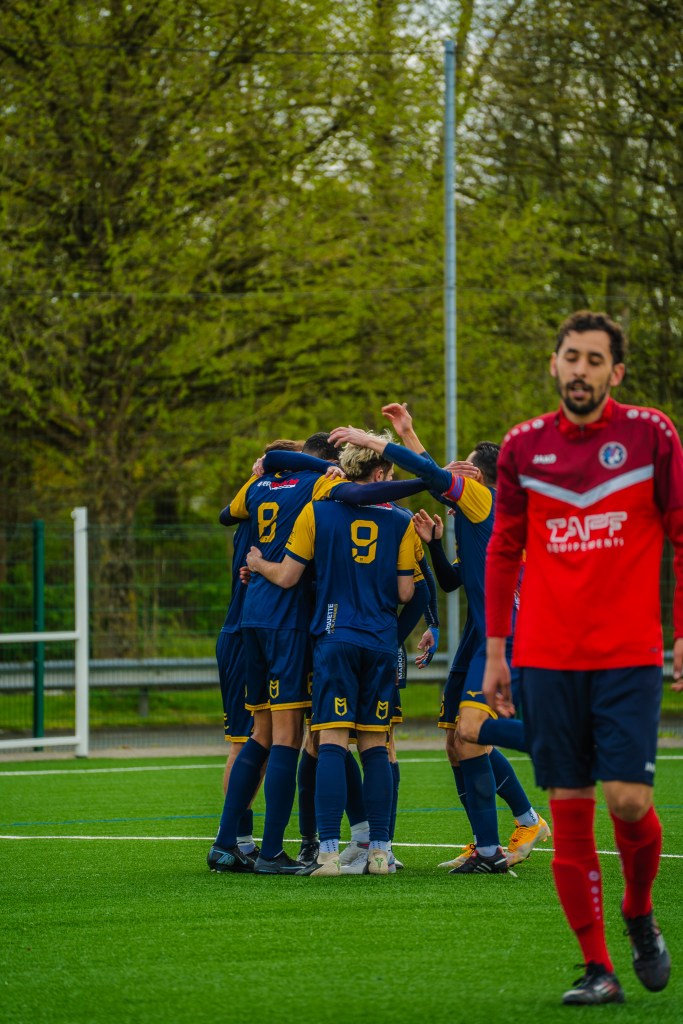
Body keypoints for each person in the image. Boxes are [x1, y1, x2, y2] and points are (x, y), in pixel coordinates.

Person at [482, 309, 683, 1005]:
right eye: (571, 356)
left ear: (614, 373)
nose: (580, 369)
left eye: (595, 360)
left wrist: (680, 632)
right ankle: (598, 968)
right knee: (569, 810)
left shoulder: (651, 434)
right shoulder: (522, 446)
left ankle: (637, 910)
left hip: (628, 653)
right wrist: (496, 651)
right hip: (545, 656)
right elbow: (503, 548)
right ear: (554, 363)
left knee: (627, 801)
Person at [329, 414, 549, 874]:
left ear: (479, 479)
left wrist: (374, 440)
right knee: (457, 742)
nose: (457, 470)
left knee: (471, 732)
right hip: (477, 636)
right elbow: (449, 580)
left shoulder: (484, 500)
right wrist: (432, 542)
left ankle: (554, 742)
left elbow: (431, 475)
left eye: (465, 466)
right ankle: (487, 850)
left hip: (504, 636)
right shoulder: (474, 518)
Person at [246, 431, 417, 876]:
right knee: (377, 746)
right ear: (379, 472)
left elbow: (288, 576)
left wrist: (257, 563)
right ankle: (379, 852)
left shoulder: (317, 511)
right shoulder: (401, 520)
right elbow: (406, 591)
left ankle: (326, 853)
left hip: (335, 635)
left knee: (331, 743)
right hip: (380, 639)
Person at [214, 438, 302, 864]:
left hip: (249, 628)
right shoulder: (276, 509)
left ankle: (237, 844)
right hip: (247, 631)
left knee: (262, 740)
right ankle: (235, 842)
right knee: (248, 741)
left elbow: (224, 514)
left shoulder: (256, 501)